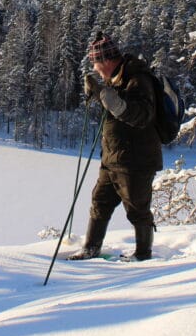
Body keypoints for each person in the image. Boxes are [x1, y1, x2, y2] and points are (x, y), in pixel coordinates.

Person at [69, 31, 162, 262]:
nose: (97, 70)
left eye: (97, 65)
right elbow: (116, 109)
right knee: (99, 203)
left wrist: (104, 95)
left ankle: (143, 255)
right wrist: (101, 93)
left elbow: (140, 116)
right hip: (112, 158)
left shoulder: (138, 79)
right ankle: (91, 249)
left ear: (108, 61)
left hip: (136, 160)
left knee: (137, 209)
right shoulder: (118, 78)